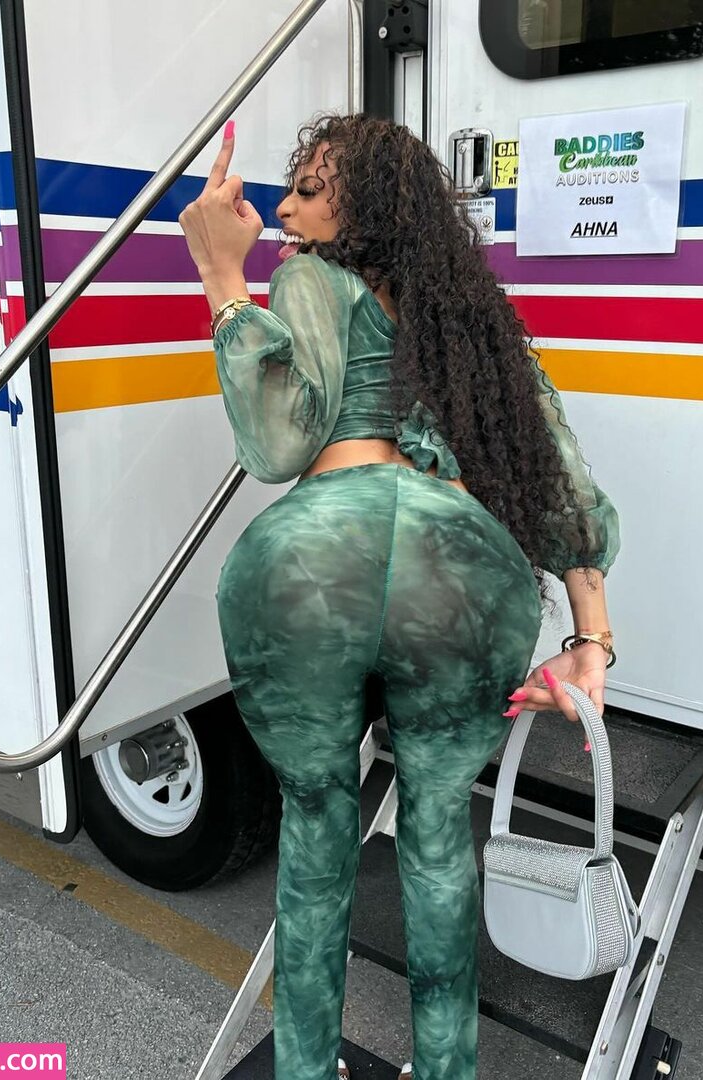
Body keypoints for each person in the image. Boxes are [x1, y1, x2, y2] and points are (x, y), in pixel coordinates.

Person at [179, 113, 619, 1080]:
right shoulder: (472, 319)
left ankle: (306, 1066)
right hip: (456, 565)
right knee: (436, 832)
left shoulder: (306, 278)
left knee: (316, 822)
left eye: (307, 190)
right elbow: (560, 475)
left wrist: (220, 276)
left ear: (369, 208)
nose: (283, 209)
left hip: (314, 560)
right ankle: (445, 1067)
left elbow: (279, 447)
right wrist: (590, 636)